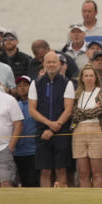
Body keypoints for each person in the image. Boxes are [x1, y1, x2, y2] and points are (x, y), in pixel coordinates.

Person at [28, 51, 75, 187]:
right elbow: (32, 110)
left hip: (61, 130)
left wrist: (55, 127)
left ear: (59, 64)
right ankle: (45, 200)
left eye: (54, 62)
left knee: (61, 169)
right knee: (45, 170)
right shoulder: (35, 84)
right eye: (48, 62)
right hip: (42, 131)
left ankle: (62, 201)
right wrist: (49, 125)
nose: (51, 64)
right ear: (44, 64)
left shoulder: (67, 83)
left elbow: (68, 109)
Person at [70, 65, 102, 188]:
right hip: (79, 132)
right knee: (83, 173)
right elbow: (73, 113)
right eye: (86, 75)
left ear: (95, 77)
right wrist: (88, 111)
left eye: (91, 75)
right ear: (81, 78)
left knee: (97, 173)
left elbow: (98, 111)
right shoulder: (77, 95)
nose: (88, 78)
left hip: (97, 131)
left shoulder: (101, 94)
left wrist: (81, 112)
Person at [0, 72, 22, 186]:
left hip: (3, 149)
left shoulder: (9, 100)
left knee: (6, 183)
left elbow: (19, 124)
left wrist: (11, 146)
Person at [12, 75, 39, 186]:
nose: (22, 88)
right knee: (24, 183)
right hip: (18, 152)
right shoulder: (14, 105)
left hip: (34, 151)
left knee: (34, 182)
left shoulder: (37, 105)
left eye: (25, 85)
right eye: (19, 85)